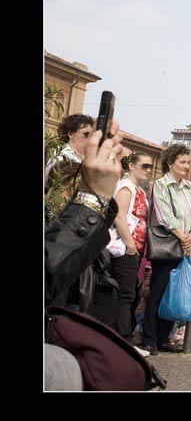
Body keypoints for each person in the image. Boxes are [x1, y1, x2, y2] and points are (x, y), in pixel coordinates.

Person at [45, 120, 124, 390]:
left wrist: (97, 200)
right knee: (59, 364)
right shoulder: (61, 163)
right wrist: (92, 198)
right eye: (85, 135)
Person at [141, 143, 191, 355]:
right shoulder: (161, 185)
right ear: (170, 163)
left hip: (184, 244)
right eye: (182, 162)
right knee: (157, 291)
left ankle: (164, 337)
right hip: (167, 245)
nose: (186, 166)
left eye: (188, 162)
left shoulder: (190, 187)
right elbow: (164, 215)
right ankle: (149, 339)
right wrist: (183, 237)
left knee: (173, 292)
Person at [110, 151, 152, 344]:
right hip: (126, 248)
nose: (149, 170)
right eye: (144, 165)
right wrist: (130, 245)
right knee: (125, 295)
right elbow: (119, 216)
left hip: (136, 249)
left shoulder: (139, 190)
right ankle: (123, 340)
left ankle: (122, 338)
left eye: (150, 166)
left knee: (129, 294)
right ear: (132, 166)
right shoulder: (126, 188)